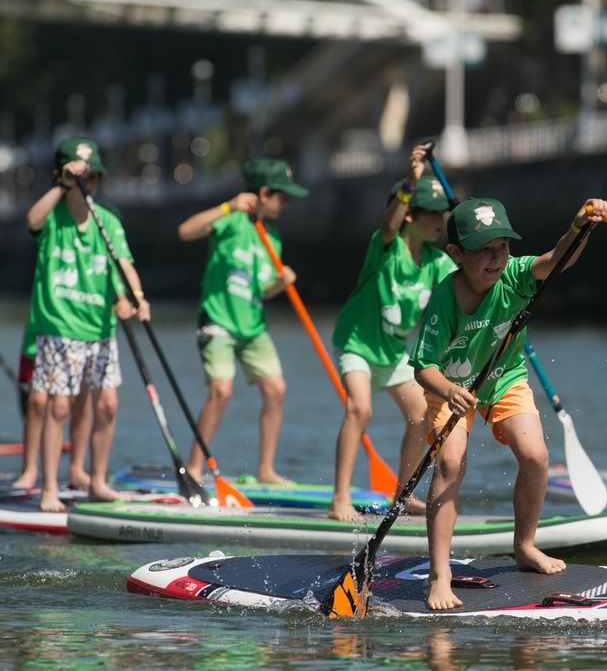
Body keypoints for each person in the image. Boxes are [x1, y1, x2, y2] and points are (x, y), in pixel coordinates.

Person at [410, 196, 607, 610]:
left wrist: (579, 227)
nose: (495, 257)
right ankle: (440, 573)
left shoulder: (517, 275)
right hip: (451, 387)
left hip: (505, 379)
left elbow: (558, 259)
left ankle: (525, 546)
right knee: (450, 464)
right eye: (483, 249)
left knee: (536, 455)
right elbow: (423, 367)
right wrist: (448, 390)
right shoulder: (445, 300)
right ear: (456, 254)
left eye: (501, 246)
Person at [329, 144, 456, 521]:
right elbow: (387, 224)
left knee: (421, 415)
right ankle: (339, 499)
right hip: (356, 343)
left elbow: (466, 283)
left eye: (441, 214)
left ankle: (402, 496)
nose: (438, 221)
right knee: (360, 407)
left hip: (394, 351)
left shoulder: (436, 262)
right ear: (409, 217)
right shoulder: (384, 247)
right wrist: (410, 182)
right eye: (429, 214)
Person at [26, 136, 150, 512]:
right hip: (59, 326)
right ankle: (49, 487)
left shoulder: (106, 219)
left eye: (93, 177)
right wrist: (61, 185)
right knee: (59, 407)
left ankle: (97, 481)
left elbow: (124, 263)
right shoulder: (52, 216)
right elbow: (31, 221)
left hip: (99, 329)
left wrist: (137, 298)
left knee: (108, 405)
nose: (87, 183)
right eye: (81, 177)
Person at [177, 157, 307, 485]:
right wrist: (227, 207)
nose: (287, 203)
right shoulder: (231, 222)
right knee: (221, 391)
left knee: (276, 388)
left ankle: (266, 470)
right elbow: (185, 231)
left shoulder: (271, 239)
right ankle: (193, 467)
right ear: (264, 193)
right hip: (218, 320)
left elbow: (259, 291)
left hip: (252, 327)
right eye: (283, 195)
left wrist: (280, 284)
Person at [11, 312, 92, 491]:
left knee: (80, 398)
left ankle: (77, 469)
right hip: (44, 328)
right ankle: (30, 470)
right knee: (38, 401)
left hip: (83, 325)